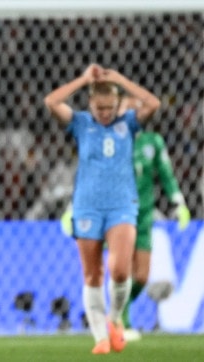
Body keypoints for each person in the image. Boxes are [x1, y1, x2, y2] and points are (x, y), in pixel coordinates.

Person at [44, 63, 160, 355]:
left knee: (120, 270)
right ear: (90, 104)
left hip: (121, 205)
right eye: (99, 107)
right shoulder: (81, 123)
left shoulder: (129, 123)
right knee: (92, 274)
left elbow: (153, 103)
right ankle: (100, 338)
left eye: (110, 107)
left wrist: (120, 78)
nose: (105, 113)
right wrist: (83, 79)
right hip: (87, 207)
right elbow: (51, 101)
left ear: (118, 104)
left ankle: (115, 318)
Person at [118, 95, 191, 340]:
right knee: (124, 272)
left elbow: (167, 175)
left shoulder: (153, 142)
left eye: (136, 111)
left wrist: (179, 203)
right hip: (119, 217)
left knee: (141, 276)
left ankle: (118, 311)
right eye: (126, 111)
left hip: (145, 216)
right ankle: (121, 321)